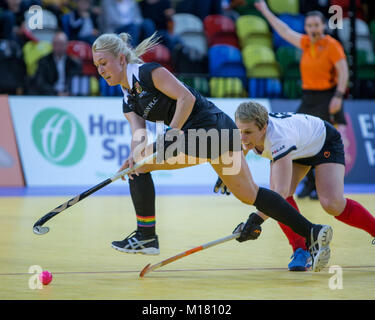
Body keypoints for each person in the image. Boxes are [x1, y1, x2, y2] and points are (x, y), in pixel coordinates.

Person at [92, 32, 334, 272]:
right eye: (97, 66)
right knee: (250, 194)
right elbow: (139, 136)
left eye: (104, 63)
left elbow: (185, 98)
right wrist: (134, 157)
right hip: (221, 133)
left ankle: (146, 236)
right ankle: (313, 231)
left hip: (208, 130)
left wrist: (171, 135)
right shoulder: (128, 100)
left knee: (142, 165)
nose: (100, 70)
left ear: (122, 59)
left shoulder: (148, 73)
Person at [220, 101, 375, 268]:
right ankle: (301, 251)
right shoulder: (250, 132)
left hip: (323, 142)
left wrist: (255, 219)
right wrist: (230, 172)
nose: (243, 137)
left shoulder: (278, 139)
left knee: (332, 204)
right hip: (297, 146)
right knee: (280, 198)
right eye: (239, 131)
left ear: (263, 128)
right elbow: (242, 147)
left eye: (248, 132)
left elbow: (279, 194)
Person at [254, 0, 349, 200]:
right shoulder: (306, 43)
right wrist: (265, 10)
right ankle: (307, 185)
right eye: (309, 26)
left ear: (323, 26)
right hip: (309, 98)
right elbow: (284, 31)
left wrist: (339, 96)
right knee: (302, 142)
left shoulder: (332, 45)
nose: (313, 29)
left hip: (328, 96)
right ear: (306, 27)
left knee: (324, 145)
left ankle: (321, 186)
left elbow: (343, 71)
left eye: (316, 25)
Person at [31, 31, 81, 95]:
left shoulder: (74, 63)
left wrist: (68, 93)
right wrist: (56, 93)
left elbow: (76, 83)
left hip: (69, 96)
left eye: (61, 44)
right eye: (56, 44)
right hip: (50, 96)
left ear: (66, 45)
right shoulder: (44, 61)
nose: (59, 47)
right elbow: (40, 83)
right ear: (52, 45)